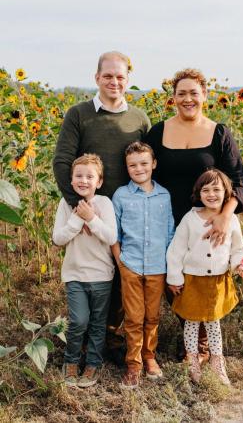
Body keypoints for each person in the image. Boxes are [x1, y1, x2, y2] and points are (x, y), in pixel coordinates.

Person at [53, 51, 151, 364]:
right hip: (87, 210)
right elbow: (62, 161)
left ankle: (110, 334)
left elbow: (146, 163)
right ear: (97, 78)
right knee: (90, 272)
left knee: (125, 274)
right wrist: (80, 208)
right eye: (107, 75)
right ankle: (84, 339)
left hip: (127, 212)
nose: (114, 81)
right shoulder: (79, 114)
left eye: (120, 76)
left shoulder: (139, 119)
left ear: (127, 81)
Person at [145, 68, 243, 362]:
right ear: (173, 98)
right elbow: (142, 169)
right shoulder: (159, 131)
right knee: (174, 278)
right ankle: (190, 334)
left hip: (207, 222)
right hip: (167, 219)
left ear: (204, 95)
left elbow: (239, 179)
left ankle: (201, 343)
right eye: (181, 93)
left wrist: (226, 215)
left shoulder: (219, 133)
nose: (188, 99)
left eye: (194, 92)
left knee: (205, 278)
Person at [167, 169, 243, 384]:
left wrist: (240, 265)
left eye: (216, 189)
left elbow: (238, 248)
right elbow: (176, 250)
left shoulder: (230, 220)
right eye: (206, 190)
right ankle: (192, 361)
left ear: (226, 192)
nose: (211, 194)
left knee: (213, 323)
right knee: (191, 322)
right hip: (193, 280)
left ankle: (217, 362)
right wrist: (175, 277)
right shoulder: (190, 218)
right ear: (198, 194)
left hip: (218, 281)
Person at [111, 142, 175, 389]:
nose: (139, 169)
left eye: (144, 163)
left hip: (158, 266)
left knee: (152, 316)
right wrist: (121, 263)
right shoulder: (121, 195)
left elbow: (170, 232)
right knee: (134, 318)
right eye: (133, 165)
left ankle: (150, 357)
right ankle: (133, 364)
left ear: (154, 164)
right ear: (127, 168)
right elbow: (114, 234)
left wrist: (170, 265)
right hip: (132, 264)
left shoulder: (164, 195)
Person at [52, 154, 117, 387]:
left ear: (99, 182)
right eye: (78, 176)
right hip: (75, 275)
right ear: (71, 180)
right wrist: (78, 220)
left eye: (90, 176)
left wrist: (91, 218)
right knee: (79, 321)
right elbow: (58, 239)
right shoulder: (65, 204)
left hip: (101, 276)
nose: (84, 180)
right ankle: (70, 361)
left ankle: (92, 364)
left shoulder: (105, 204)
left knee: (98, 324)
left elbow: (111, 236)